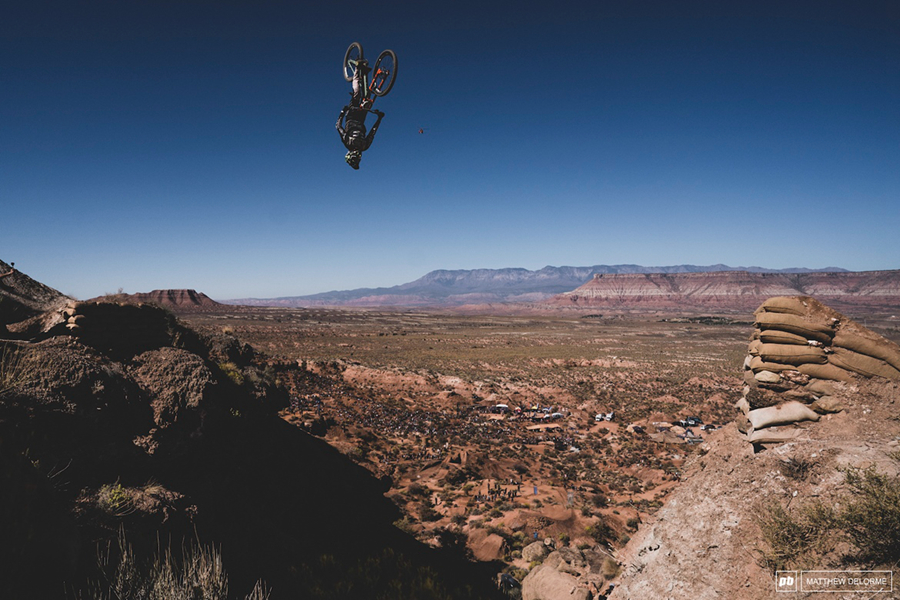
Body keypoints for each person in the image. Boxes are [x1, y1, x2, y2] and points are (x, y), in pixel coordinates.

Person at [336, 59, 384, 170]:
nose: (359, 156)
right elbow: (373, 132)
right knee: (368, 101)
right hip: (361, 119)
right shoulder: (364, 146)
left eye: (356, 157)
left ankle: (357, 68)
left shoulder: (348, 142)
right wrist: (379, 119)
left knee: (357, 94)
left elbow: (338, 126)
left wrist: (342, 112)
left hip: (351, 116)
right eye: (359, 158)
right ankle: (370, 75)